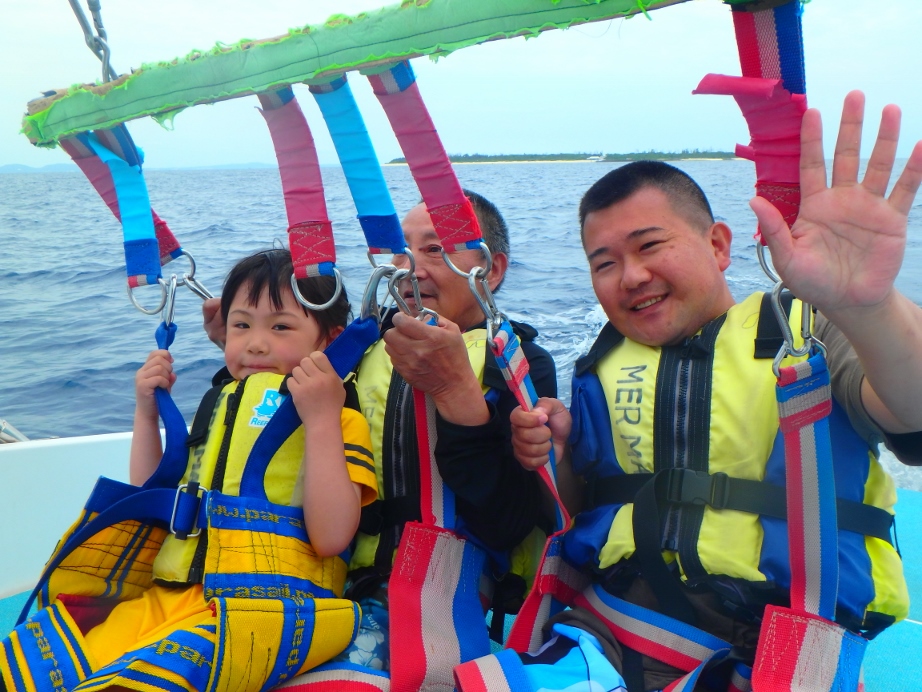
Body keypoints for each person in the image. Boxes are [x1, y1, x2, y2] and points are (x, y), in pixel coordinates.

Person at [511, 91, 922, 690]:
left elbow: (912, 410)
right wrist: (560, 455)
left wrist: (870, 307)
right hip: (609, 632)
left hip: (781, 648)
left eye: (650, 246)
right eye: (604, 263)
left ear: (719, 245)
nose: (631, 276)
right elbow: (588, 506)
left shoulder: (807, 332)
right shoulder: (602, 365)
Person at [200, 191, 558, 671]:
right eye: (401, 251)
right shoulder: (360, 345)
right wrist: (239, 341)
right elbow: (273, 398)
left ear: (489, 271)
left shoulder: (518, 365)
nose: (411, 269)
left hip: (449, 596)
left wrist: (458, 394)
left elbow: (507, 523)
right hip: (329, 581)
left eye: (435, 249)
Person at [0, 249, 378, 692]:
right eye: (241, 325)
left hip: (266, 611)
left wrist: (320, 420)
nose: (256, 343)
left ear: (329, 341)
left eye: (280, 327)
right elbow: (149, 494)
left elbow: (331, 537)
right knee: (34, 667)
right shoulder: (218, 408)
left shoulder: (338, 421)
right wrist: (146, 414)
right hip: (169, 597)